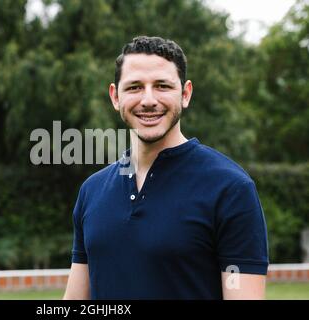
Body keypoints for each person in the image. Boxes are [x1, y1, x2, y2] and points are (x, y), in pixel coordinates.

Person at [63, 36, 269, 300]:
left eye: (162, 86)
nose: (148, 100)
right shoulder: (91, 191)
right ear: (115, 96)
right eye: (135, 87)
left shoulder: (231, 188)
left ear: (185, 94)